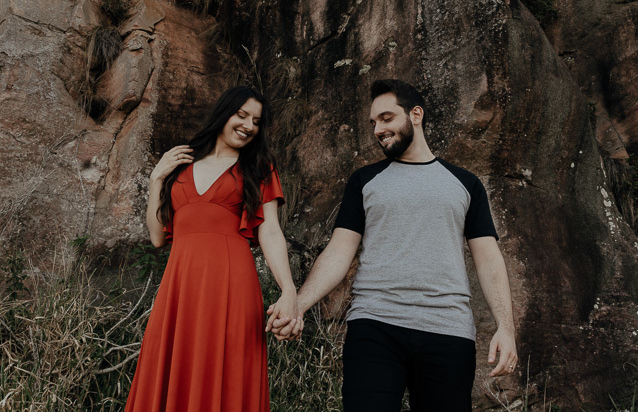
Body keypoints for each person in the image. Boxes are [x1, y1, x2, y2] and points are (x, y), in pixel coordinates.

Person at [268, 79, 518, 411]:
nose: (378, 129)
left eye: (386, 118)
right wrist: (297, 305)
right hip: (375, 327)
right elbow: (340, 252)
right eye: (373, 122)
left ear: (416, 114)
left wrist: (506, 327)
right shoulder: (364, 181)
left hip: (448, 331)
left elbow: (488, 258)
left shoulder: (465, 183)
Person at [125, 86, 301, 412]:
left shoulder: (258, 166)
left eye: (256, 121)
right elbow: (157, 237)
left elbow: (271, 231)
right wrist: (155, 179)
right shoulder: (181, 163)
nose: (249, 125)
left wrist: (288, 290)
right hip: (180, 287)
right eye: (242, 115)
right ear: (224, 113)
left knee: (228, 373)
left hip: (232, 286)